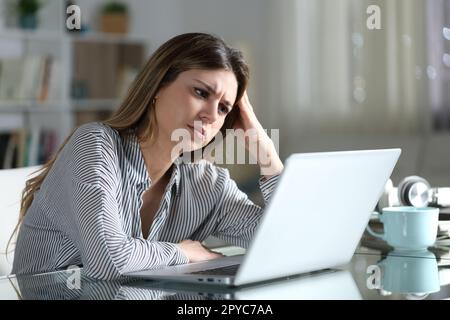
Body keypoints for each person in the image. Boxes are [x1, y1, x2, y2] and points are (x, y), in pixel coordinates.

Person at [10, 33, 284, 280]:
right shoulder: (94, 146)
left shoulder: (206, 184)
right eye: (201, 93)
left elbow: (283, 241)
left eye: (224, 108)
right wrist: (182, 252)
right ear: (156, 87)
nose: (212, 116)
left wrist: (268, 156)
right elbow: (108, 262)